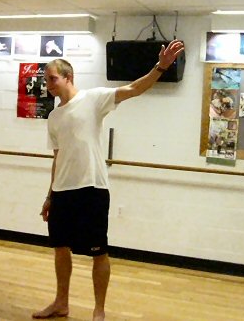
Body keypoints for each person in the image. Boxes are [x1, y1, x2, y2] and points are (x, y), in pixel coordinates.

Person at [33, 40, 184, 321]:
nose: (48, 85)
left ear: (68, 77)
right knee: (60, 249)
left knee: (98, 252)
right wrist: (49, 196)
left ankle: (99, 310)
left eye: (52, 79)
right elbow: (58, 157)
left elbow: (134, 89)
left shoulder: (94, 99)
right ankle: (61, 303)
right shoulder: (53, 116)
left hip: (92, 189)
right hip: (62, 192)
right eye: (46, 80)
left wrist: (160, 67)